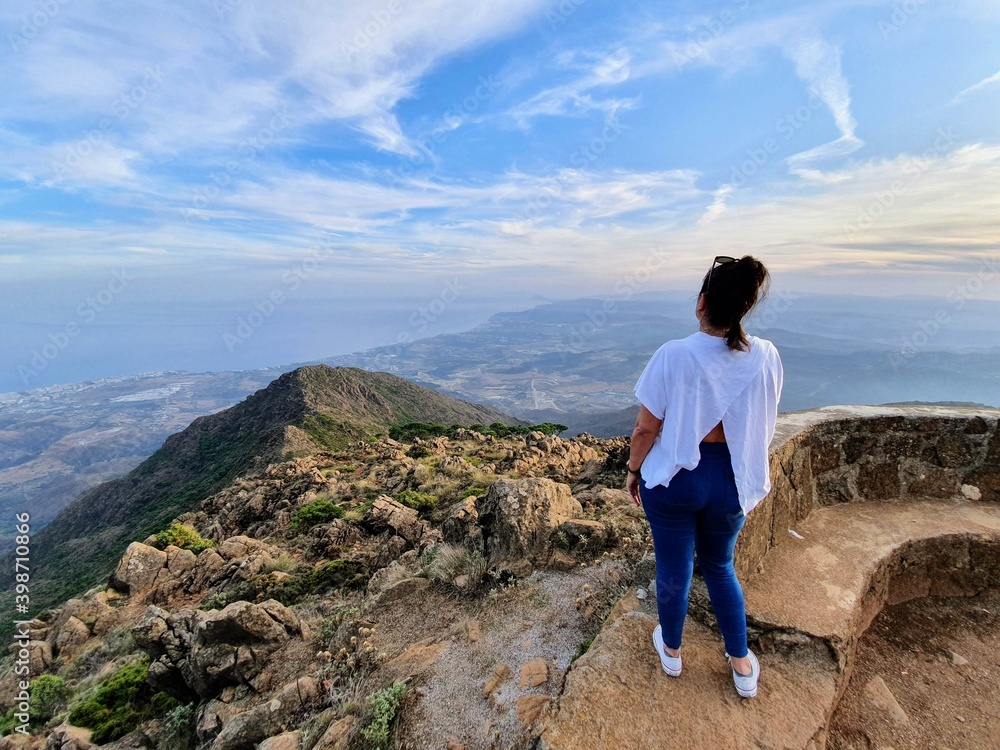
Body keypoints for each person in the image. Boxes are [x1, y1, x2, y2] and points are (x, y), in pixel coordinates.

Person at [624, 255, 783, 699]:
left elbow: (645, 430)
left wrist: (634, 471)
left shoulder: (673, 354)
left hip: (676, 481)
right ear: (743, 308)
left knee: (674, 567)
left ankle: (672, 652)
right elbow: (763, 418)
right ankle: (741, 664)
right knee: (720, 566)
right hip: (731, 480)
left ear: (702, 303)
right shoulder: (766, 356)